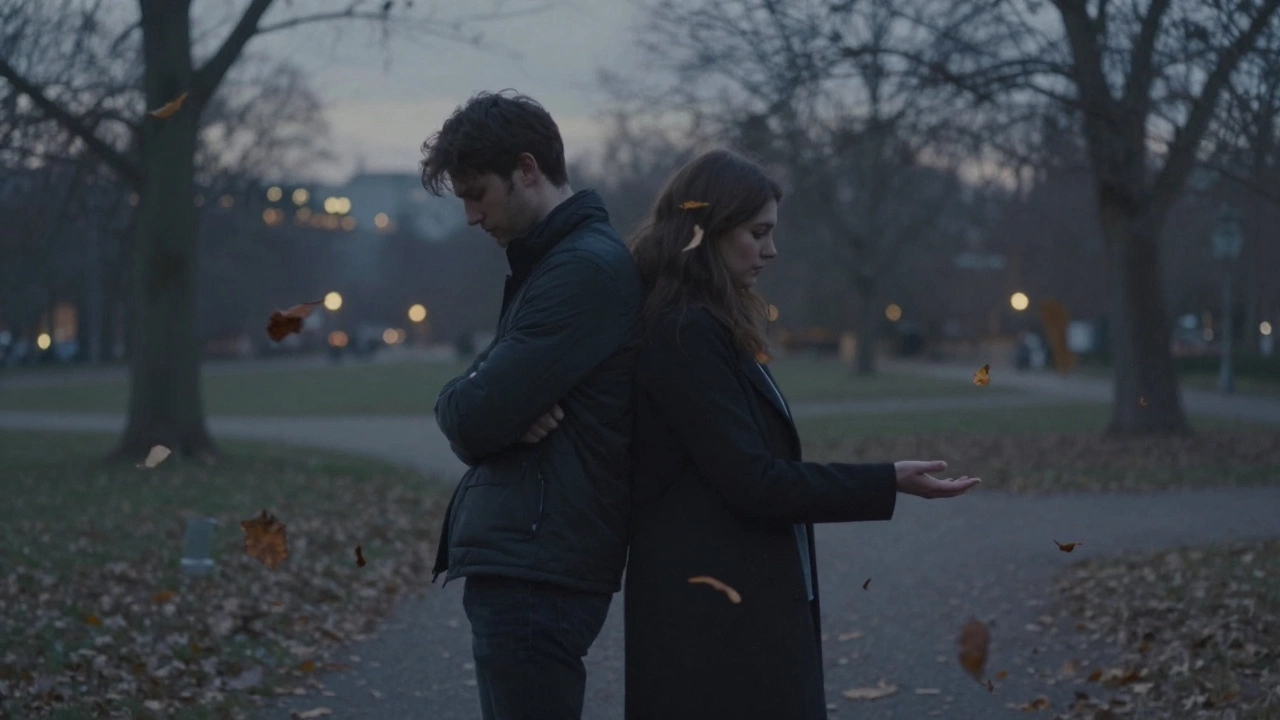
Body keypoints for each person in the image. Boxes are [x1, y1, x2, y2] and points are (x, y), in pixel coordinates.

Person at [623, 148, 982, 720]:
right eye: (757, 232)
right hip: (713, 621)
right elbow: (754, 482)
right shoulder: (685, 333)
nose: (771, 250)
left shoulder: (708, 324)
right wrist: (886, 481)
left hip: (732, 608)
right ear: (709, 230)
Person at [421, 90, 643, 720]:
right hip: (529, 561)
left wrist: (488, 404)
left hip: (538, 569)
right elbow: (474, 399)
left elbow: (472, 416)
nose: (470, 215)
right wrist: (483, 397)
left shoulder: (583, 270)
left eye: (476, 194)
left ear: (526, 169)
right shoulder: (554, 263)